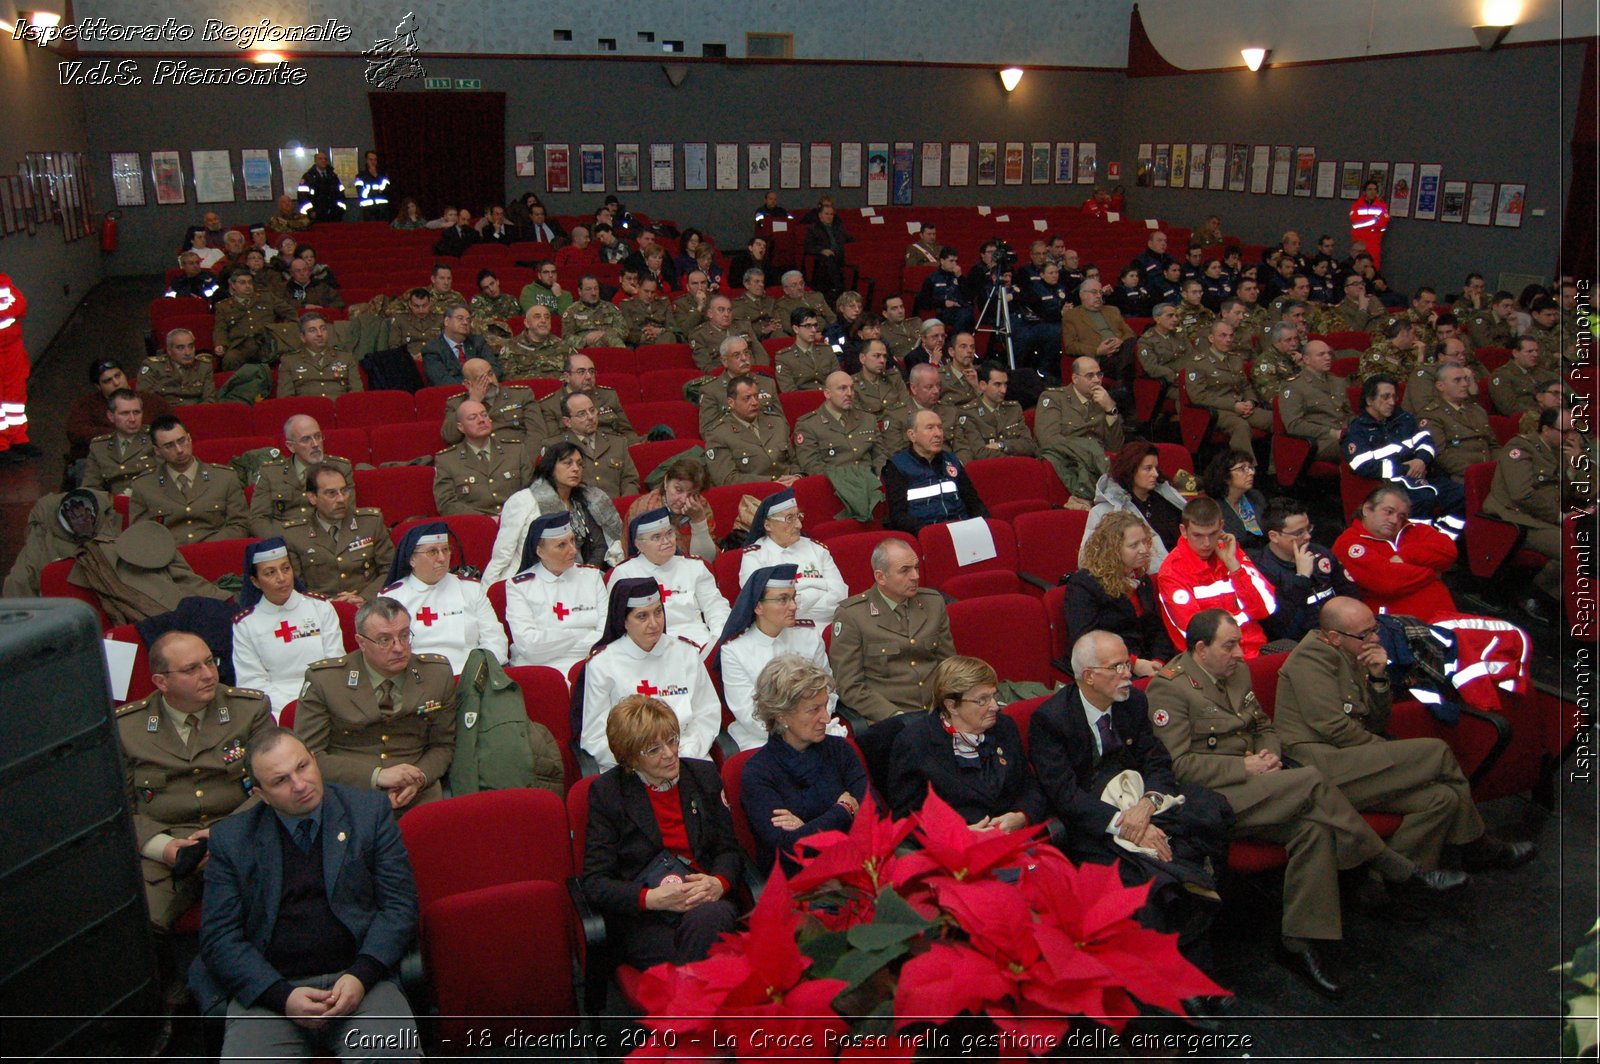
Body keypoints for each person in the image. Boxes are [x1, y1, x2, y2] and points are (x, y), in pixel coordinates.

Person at [1146, 610, 1462, 997]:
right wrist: (1244, 765)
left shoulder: (1236, 672)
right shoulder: (1170, 689)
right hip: (1216, 796)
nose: (1238, 654)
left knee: (1312, 828)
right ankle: (1395, 867)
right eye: (1228, 646)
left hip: (1263, 780)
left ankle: (1298, 942)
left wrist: (1268, 754)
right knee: (1313, 780)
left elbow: (1263, 725)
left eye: (1238, 643)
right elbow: (1178, 766)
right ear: (1200, 649)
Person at [192, 727, 419, 1061]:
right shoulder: (232, 839)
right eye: (281, 781)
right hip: (273, 992)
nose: (300, 785)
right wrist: (281, 996)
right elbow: (219, 938)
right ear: (261, 794)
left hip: (359, 981)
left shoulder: (367, 812)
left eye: (302, 767)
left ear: (315, 761)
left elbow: (399, 906)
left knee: (390, 1057)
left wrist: (362, 974)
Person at [1275, 597, 1534, 885]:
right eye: (1366, 634)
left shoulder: (1357, 654)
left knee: (1442, 799)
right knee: (1436, 752)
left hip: (1352, 761)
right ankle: (1479, 845)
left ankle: (1392, 884)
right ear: (1334, 637)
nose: (1375, 638)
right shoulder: (1309, 660)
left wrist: (1377, 679)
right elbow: (1333, 728)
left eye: (1374, 629)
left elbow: (1375, 721)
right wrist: (1390, 753)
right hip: (1318, 768)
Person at [1029, 632, 1232, 969]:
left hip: (1140, 800)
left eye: (1127, 663)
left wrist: (1147, 807)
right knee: (1151, 880)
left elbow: (1156, 760)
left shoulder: (1133, 702)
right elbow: (1065, 795)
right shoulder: (1051, 720)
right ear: (1089, 675)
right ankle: (1175, 980)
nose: (1128, 672)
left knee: (1211, 814)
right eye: (1117, 666)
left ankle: (1196, 963)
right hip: (1093, 821)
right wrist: (1126, 824)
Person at [115, 631, 275, 929]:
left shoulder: (248, 710)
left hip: (244, 840)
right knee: (135, 929)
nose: (208, 674)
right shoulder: (127, 729)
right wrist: (164, 847)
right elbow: (118, 809)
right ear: (161, 682)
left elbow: (272, 786)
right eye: (191, 669)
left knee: (271, 918)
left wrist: (223, 837)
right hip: (167, 851)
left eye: (209, 662)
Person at [580, 695, 742, 966]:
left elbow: (729, 850)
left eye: (672, 740)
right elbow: (595, 881)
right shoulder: (608, 793)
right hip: (646, 915)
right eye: (653, 750)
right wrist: (650, 899)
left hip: (705, 902)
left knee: (708, 922)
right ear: (630, 758)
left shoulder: (703, 776)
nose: (669, 753)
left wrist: (718, 883)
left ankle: (690, 1000)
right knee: (695, 955)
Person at [295, 596, 458, 813]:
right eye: (384, 640)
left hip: (417, 792)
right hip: (350, 792)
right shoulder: (325, 681)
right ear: (361, 642)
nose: (399, 647)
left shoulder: (436, 674)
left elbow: (443, 745)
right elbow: (308, 758)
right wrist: (376, 776)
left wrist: (418, 777)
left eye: (404, 635)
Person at [827, 537, 953, 790]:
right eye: (905, 571)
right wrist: (895, 716)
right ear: (880, 577)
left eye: (916, 567)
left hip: (937, 711)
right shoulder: (853, 615)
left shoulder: (932, 603)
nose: (916, 576)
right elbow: (849, 685)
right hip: (890, 721)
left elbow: (949, 664)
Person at [739, 655, 869, 875]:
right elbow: (789, 849)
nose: (827, 718)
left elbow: (871, 818)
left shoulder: (840, 750)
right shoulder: (757, 773)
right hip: (801, 885)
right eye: (813, 710)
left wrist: (806, 828)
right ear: (781, 716)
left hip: (856, 866)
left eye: (825, 706)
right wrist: (843, 810)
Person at [579, 579, 722, 772]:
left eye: (658, 612)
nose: (654, 624)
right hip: (632, 769)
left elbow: (707, 714)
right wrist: (644, 762)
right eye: (642, 616)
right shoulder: (602, 663)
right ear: (623, 620)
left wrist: (682, 754)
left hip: (687, 758)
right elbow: (595, 736)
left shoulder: (685, 653)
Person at [888, 656, 1046, 828]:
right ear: (952, 706)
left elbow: (1030, 787)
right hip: (952, 850)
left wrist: (1022, 816)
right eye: (982, 700)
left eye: (994, 695)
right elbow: (905, 819)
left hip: (1013, 839)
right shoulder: (915, 743)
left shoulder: (1004, 726)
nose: (995, 706)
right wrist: (958, 834)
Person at [717, 565, 839, 750]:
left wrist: (813, 724)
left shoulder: (810, 637)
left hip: (818, 730)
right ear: (758, 606)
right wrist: (798, 731)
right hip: (763, 741)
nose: (793, 606)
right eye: (783, 599)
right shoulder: (735, 651)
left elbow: (828, 691)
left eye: (793, 597)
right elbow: (749, 714)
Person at [230, 538, 344, 718]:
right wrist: (291, 708)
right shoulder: (246, 624)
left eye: (286, 568)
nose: (281, 578)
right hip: (275, 709)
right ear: (255, 581)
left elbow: (336, 664)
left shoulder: (320, 607)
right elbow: (252, 682)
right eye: (270, 573)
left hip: (326, 698)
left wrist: (315, 701)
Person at [484, 441, 625, 584]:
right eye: (567, 463)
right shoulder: (523, 500)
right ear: (551, 467)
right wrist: (489, 591)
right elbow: (503, 554)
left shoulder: (586, 499)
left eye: (579, 464)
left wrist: (587, 572)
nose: (575, 469)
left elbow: (599, 546)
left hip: (578, 574)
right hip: (533, 576)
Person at [1483, 406, 1577, 619]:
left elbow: (1563, 493)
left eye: (1572, 431)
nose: (1570, 437)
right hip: (1517, 518)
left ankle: (1555, 596)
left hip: (1543, 516)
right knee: (1577, 548)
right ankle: (1534, 597)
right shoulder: (1520, 448)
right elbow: (1522, 495)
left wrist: (1572, 469)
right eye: (1565, 432)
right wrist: (1558, 517)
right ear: (1546, 429)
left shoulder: (1558, 450)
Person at [1156, 497, 1277, 659]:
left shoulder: (1231, 553)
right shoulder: (1171, 571)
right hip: (1211, 662)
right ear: (1183, 531)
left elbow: (1265, 609)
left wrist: (1234, 566)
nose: (1206, 543)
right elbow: (1194, 635)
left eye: (1212, 534)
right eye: (1198, 535)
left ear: (1221, 527)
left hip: (1255, 649)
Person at [1345, 374, 1466, 535]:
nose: (1392, 402)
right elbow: (1361, 465)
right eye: (1385, 397)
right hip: (1389, 482)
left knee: (1461, 493)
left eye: (1394, 397)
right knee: (1423, 499)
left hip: (1420, 475)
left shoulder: (1404, 418)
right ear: (1369, 400)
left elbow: (1427, 442)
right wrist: (1403, 468)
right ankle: (1415, 545)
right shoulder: (1358, 429)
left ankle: (1443, 539)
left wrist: (1421, 460)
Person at [379, 523, 506, 675]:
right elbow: (388, 652)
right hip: (417, 679)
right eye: (432, 552)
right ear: (412, 559)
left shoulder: (470, 589)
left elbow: (495, 639)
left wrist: (481, 672)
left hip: (472, 676)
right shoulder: (392, 597)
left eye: (445, 550)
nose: (442, 558)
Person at [607, 508, 731, 655]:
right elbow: (618, 624)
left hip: (699, 646)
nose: (666, 541)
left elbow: (716, 607)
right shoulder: (624, 574)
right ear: (639, 545)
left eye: (669, 533)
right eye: (657, 537)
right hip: (650, 648)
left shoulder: (694, 566)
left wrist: (717, 640)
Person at [1062, 512, 1175, 673]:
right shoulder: (1084, 585)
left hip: (1146, 665)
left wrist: (1158, 661)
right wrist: (1134, 664)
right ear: (1113, 550)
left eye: (1145, 541)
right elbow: (1085, 642)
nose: (1144, 549)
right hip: (1108, 669)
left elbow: (1156, 630)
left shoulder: (1142, 580)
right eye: (1134, 545)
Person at [505, 511, 609, 674]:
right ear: (540, 552)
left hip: (592, 662)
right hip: (541, 670)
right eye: (562, 545)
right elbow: (529, 647)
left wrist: (555, 639)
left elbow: (607, 636)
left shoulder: (592, 577)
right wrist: (580, 634)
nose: (573, 550)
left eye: (572, 541)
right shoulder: (519, 587)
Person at [1249, 497, 1359, 644]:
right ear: (1274, 536)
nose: (1308, 536)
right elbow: (1281, 628)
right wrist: (1302, 578)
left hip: (1341, 635)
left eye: (1308, 528)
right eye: (1299, 533)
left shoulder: (1321, 554)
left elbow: (1351, 595)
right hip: (1300, 647)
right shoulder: (1261, 571)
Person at [281, 463, 394, 605]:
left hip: (368, 607)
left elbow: (390, 568)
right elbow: (295, 586)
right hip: (320, 611)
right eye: (331, 493)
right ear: (312, 498)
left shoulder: (370, 523)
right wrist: (329, 603)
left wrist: (365, 597)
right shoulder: (295, 535)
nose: (341, 499)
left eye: (344, 491)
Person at [128, 415, 249, 545]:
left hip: (215, 553)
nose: (179, 450)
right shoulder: (143, 486)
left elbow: (240, 525)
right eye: (169, 446)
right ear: (157, 451)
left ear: (190, 439)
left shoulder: (224, 478)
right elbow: (141, 535)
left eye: (182, 441)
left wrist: (207, 549)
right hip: (169, 559)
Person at [737, 490, 849, 626]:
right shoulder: (755, 556)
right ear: (768, 525)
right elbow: (767, 607)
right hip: (781, 633)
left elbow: (840, 598)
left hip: (827, 629)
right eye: (789, 519)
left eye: (798, 516)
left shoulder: (817, 549)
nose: (799, 525)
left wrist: (798, 601)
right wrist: (816, 593)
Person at [1081, 442, 1190, 571]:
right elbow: (1087, 561)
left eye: (1156, 468)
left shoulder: (1168, 498)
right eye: (1148, 468)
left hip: (1187, 569)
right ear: (1130, 470)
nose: (1155, 474)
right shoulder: (1104, 512)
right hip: (1145, 580)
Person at [882, 409, 987, 534]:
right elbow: (899, 516)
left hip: (962, 530)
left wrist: (982, 526)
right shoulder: (898, 466)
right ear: (912, 435)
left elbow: (974, 503)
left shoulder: (952, 460)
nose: (938, 434)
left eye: (940, 428)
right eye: (930, 428)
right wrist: (930, 533)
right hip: (926, 534)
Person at [249, 416, 355, 537]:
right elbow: (258, 520)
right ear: (291, 446)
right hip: (286, 542)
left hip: (328, 540)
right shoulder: (271, 473)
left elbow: (347, 512)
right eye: (306, 439)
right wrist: (279, 544)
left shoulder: (341, 468)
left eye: (318, 436)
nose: (315, 444)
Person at [3, 488, 121, 597]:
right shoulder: (45, 532)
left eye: (85, 518)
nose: (82, 522)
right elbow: (19, 578)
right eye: (76, 519)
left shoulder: (106, 519)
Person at [1033, 356, 1122, 499]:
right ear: (1075, 379)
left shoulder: (1103, 400)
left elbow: (1115, 447)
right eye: (1090, 376)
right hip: (1069, 465)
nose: (1097, 380)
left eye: (1099, 374)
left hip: (1100, 467)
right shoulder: (1053, 398)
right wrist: (1086, 453)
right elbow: (1048, 440)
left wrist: (1110, 409)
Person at [430, 401, 534, 517]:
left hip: (518, 520)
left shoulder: (515, 450)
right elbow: (446, 504)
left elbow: (533, 490)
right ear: (461, 427)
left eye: (484, 415)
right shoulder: (447, 460)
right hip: (475, 526)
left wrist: (513, 515)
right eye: (472, 418)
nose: (481, 420)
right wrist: (485, 521)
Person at [68, 360, 172, 466]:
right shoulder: (85, 406)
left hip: (146, 457)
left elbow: (171, 426)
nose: (116, 383)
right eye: (108, 381)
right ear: (98, 386)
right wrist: (120, 435)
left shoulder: (152, 401)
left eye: (118, 376)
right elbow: (76, 433)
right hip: (101, 461)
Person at [793, 370, 888, 481]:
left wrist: (878, 476)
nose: (849, 393)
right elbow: (812, 467)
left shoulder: (868, 419)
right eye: (842, 388)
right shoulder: (809, 425)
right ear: (827, 393)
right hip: (834, 488)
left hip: (871, 484)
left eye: (852, 388)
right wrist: (846, 482)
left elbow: (880, 456)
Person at [704, 376, 800, 486]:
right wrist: (771, 483)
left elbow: (794, 461)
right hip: (753, 495)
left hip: (790, 489)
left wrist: (797, 476)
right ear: (731, 403)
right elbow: (727, 479)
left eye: (756, 396)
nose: (754, 402)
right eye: (747, 398)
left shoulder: (776, 422)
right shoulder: (718, 434)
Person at [622, 457, 718, 560]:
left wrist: (699, 521)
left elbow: (705, 560)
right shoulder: (645, 509)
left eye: (692, 494)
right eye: (678, 490)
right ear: (666, 481)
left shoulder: (699, 506)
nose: (683, 500)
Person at [1417, 364, 1495, 480]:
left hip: (1490, 473)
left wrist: (1499, 467)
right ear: (1440, 386)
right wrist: (1477, 472)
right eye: (1457, 380)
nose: (1464, 384)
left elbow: (1493, 445)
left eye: (1465, 379)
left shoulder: (1477, 410)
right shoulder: (1431, 414)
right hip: (1460, 477)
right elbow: (1441, 455)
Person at [81, 388, 162, 495]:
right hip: (113, 507)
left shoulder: (156, 437)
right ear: (111, 416)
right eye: (125, 413)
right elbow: (91, 488)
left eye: (136, 412)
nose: (132, 419)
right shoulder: (99, 447)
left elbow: (166, 478)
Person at [440, 359, 539, 445]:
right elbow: (450, 437)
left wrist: (525, 461)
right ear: (468, 384)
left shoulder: (521, 395)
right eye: (481, 379)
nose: (490, 381)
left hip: (515, 457)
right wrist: (473, 401)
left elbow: (537, 433)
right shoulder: (456, 403)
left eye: (490, 374)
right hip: (477, 460)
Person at [953, 361, 1035, 463]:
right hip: (990, 471)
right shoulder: (969, 413)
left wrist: (1002, 445)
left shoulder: (1014, 409)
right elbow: (979, 453)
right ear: (983, 385)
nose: (1003, 390)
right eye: (997, 385)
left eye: (1005, 384)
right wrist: (1013, 458)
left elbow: (1029, 445)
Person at [1278, 339, 1346, 462]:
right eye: (1321, 354)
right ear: (1306, 360)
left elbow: (1348, 413)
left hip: (1345, 436)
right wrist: (1331, 433)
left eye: (1329, 353)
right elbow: (1294, 425)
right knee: (1355, 447)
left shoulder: (1337, 381)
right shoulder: (1294, 386)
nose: (1328, 358)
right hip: (1319, 442)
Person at [276, 313, 359, 400]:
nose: (320, 334)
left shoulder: (345, 358)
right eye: (313, 330)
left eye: (323, 329)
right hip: (306, 411)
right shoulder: (289, 361)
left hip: (339, 410)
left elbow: (356, 394)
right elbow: (286, 399)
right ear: (302, 337)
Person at [1202, 449, 1268, 550]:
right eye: (1242, 468)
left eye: (1250, 467)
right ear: (1224, 476)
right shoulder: (1212, 508)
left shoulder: (1256, 497)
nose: (1251, 472)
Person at [422, 305, 499, 386]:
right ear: (446, 321)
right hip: (452, 395)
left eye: (468, 320)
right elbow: (441, 380)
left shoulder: (478, 342)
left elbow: (495, 369)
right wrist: (471, 387)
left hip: (484, 390)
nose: (465, 322)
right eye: (460, 318)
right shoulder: (432, 349)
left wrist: (479, 384)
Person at [139, 328, 216, 407]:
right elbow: (145, 399)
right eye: (180, 348)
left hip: (196, 413)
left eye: (190, 346)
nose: (188, 353)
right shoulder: (153, 367)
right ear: (169, 350)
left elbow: (209, 399)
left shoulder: (204, 367)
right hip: (166, 415)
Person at [1489, 336, 1561, 418]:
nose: (1535, 354)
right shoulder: (1502, 375)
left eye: (1536, 351)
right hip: (1526, 421)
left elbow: (1568, 394)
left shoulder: (1543, 373)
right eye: (1530, 351)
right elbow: (1509, 408)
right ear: (1515, 353)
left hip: (1554, 416)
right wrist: (1543, 412)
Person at [804, 202, 852, 301]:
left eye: (831, 214)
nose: (829, 217)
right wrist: (822, 250)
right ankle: (839, 290)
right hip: (823, 256)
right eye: (826, 214)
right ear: (820, 215)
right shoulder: (813, 229)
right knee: (829, 260)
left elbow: (850, 240)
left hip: (840, 254)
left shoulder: (838, 228)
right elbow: (808, 247)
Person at [1349, 180, 1390, 269]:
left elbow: (1383, 223)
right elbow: (1355, 222)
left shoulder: (1382, 206)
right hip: (1359, 241)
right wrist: (1374, 220)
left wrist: (1365, 222)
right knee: (1357, 265)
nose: (1372, 192)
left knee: (1373, 266)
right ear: (1365, 191)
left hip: (1374, 241)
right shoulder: (1357, 205)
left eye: (1375, 189)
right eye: (1370, 189)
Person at [296, 152, 345, 221]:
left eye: (325, 159)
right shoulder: (308, 177)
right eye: (320, 159)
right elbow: (302, 196)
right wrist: (310, 211)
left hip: (334, 215)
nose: (323, 161)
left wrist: (341, 209)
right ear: (315, 161)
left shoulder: (333, 176)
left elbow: (341, 193)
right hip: (316, 216)